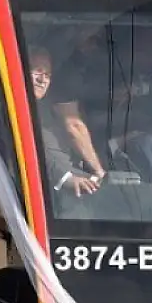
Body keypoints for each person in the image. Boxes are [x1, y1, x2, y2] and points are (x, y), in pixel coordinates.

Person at [29, 48, 99, 197]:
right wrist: (66, 178)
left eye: (47, 75)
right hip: (48, 192)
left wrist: (98, 176)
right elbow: (32, 151)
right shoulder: (17, 108)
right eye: (37, 71)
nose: (42, 80)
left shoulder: (46, 109)